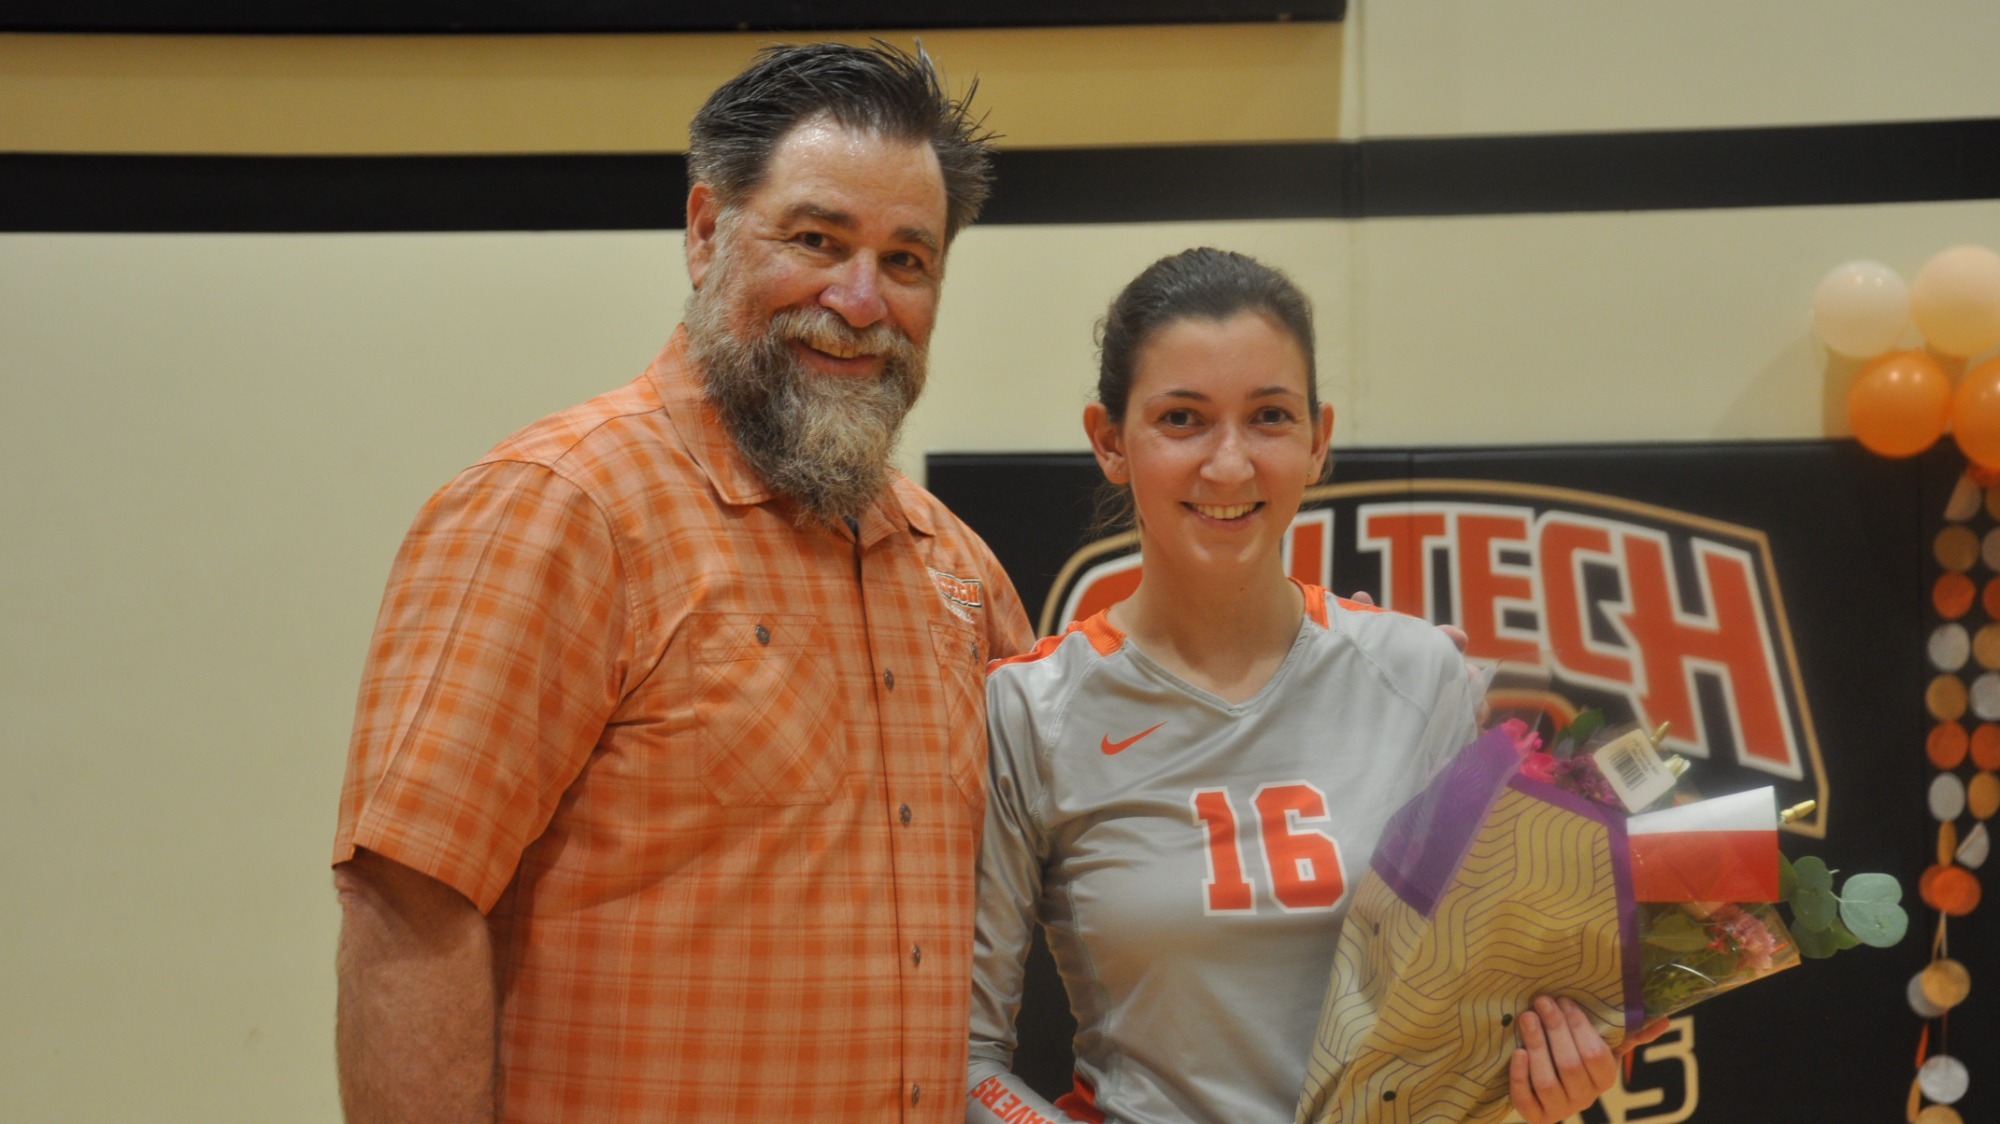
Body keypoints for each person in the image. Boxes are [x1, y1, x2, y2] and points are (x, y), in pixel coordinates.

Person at [331, 42, 1035, 1122]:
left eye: (907, 260)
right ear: (705, 231)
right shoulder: (558, 508)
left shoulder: (954, 567)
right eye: (815, 240)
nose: (859, 300)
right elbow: (406, 901)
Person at [965, 249, 1648, 1124]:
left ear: (1319, 439)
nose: (1229, 464)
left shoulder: (1417, 675)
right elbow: (967, 1059)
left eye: (1269, 418)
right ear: (1109, 440)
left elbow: (1478, 1010)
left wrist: (1543, 1077)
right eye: (1182, 419)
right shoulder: (1028, 711)